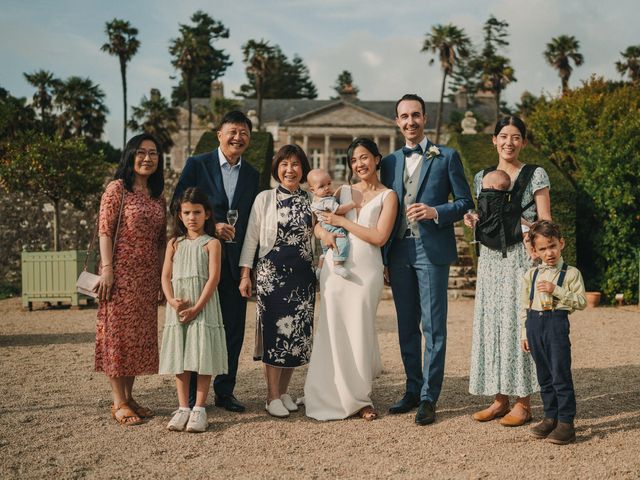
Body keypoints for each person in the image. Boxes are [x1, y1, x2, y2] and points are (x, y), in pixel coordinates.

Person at [380, 94, 473, 425]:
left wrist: (436, 211)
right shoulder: (389, 162)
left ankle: (429, 397)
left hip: (432, 250)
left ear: (425, 118)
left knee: (434, 327)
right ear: (397, 121)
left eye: (415, 115)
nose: (410, 122)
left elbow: (464, 202)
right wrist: (382, 257)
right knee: (406, 326)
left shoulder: (447, 156)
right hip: (398, 251)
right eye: (404, 116)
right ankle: (411, 388)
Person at [465, 116, 552, 427]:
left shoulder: (535, 174)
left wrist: (539, 252)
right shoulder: (481, 176)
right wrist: (473, 218)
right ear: (494, 140)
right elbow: (486, 216)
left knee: (519, 326)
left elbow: (546, 221)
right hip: (491, 261)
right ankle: (499, 399)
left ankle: (524, 402)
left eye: (516, 137)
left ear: (524, 142)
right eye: (503, 136)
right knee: (493, 324)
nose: (509, 142)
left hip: (522, 259)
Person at [305, 137, 398, 421]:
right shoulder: (342, 190)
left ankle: (359, 398)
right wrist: (326, 235)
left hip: (367, 267)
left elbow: (380, 237)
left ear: (377, 159)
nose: (359, 164)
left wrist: (343, 222)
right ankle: (326, 390)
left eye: (364, 157)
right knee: (332, 326)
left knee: (359, 327)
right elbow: (317, 225)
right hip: (336, 267)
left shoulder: (388, 195)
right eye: (354, 160)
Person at [172, 111, 259, 413]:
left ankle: (225, 390)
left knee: (233, 327)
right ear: (219, 135)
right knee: (200, 325)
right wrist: (213, 226)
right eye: (233, 131)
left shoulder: (252, 174)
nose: (238, 138)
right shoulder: (198, 164)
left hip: (235, 263)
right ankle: (196, 397)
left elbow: (252, 224)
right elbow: (177, 204)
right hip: (200, 262)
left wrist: (250, 268)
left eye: (244, 132)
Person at [95, 133, 166, 426]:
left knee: (137, 338)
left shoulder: (157, 194)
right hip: (120, 275)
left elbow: (162, 240)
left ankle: (130, 395)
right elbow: (105, 231)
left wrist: (163, 277)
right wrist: (108, 268)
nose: (147, 158)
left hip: (147, 277)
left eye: (152, 153)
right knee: (118, 337)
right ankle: (118, 401)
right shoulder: (117, 189)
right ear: (130, 155)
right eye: (141, 152)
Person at [239, 144, 315, 418]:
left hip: (304, 276)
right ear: (277, 168)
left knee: (297, 336)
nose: (290, 169)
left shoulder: (311, 199)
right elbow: (251, 238)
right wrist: (245, 274)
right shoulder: (265, 199)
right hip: (272, 276)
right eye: (284, 164)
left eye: (295, 164)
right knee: (275, 334)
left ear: (303, 169)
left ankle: (284, 391)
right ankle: (271, 396)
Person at [159, 187, 228, 433]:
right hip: (178, 309)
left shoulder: (212, 244)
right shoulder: (174, 244)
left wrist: (198, 307)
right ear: (179, 215)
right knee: (181, 355)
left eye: (197, 212)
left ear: (207, 214)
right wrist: (171, 300)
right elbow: (165, 276)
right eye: (187, 212)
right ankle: (182, 408)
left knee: (202, 354)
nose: (192, 217)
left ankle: (199, 409)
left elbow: (213, 279)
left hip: (203, 307)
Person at [520, 221, 586, 444]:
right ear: (535, 252)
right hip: (534, 325)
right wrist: (524, 333)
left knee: (560, 374)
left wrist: (556, 290)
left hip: (556, 325)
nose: (549, 253)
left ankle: (566, 423)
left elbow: (581, 302)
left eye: (552, 246)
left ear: (561, 244)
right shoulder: (531, 274)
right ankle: (550, 417)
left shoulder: (571, 274)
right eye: (543, 249)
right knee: (544, 375)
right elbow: (524, 305)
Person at [307, 168, 356, 278]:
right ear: (312, 190)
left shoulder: (316, 200)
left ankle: (319, 268)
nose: (327, 188)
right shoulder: (326, 201)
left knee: (325, 252)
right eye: (321, 186)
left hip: (324, 228)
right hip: (332, 228)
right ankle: (338, 265)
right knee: (342, 241)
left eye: (329, 184)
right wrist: (352, 205)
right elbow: (338, 210)